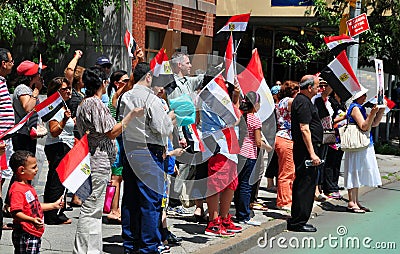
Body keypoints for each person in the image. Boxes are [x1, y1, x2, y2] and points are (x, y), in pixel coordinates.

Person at [72, 67, 144, 254]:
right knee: (91, 209)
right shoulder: (94, 104)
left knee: (93, 210)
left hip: (94, 159)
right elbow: (111, 132)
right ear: (103, 83)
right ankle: (83, 250)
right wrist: (130, 116)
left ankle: (91, 249)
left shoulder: (84, 104)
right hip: (98, 161)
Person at [119, 62, 175, 253]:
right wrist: (172, 117)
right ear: (149, 77)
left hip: (130, 149)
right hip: (150, 151)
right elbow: (163, 128)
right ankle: (149, 245)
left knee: (130, 199)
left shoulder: (124, 96)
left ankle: (130, 243)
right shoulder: (151, 99)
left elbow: (122, 122)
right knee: (150, 200)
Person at [8, 150, 64, 254]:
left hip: (33, 232)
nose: (37, 170)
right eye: (34, 167)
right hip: (25, 233)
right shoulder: (17, 190)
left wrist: (54, 205)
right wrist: (32, 220)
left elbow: (35, 206)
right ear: (21, 170)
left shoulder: (27, 187)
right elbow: (16, 213)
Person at [287, 75, 323, 233]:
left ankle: (300, 219)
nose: (318, 89)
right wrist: (312, 153)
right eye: (316, 86)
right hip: (306, 151)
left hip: (308, 149)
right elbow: (304, 128)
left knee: (307, 184)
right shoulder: (302, 102)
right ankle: (298, 221)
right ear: (309, 88)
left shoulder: (305, 101)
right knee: (305, 185)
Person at [343, 88, 385, 213]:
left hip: (363, 143)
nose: (366, 97)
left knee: (357, 170)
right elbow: (364, 126)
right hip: (357, 143)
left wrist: (380, 111)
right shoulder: (355, 107)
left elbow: (374, 123)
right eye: (364, 95)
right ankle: (352, 201)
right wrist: (372, 113)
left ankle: (355, 201)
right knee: (354, 170)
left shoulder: (359, 107)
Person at [234, 91, 272, 226]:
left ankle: (238, 212)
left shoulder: (240, 115)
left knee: (238, 184)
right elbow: (257, 141)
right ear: (255, 104)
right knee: (246, 184)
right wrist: (268, 148)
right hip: (249, 154)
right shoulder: (255, 119)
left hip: (238, 153)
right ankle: (243, 215)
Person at [43, 77, 74, 225]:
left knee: (61, 181)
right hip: (57, 147)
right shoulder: (54, 108)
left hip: (64, 146)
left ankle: (57, 211)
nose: (68, 91)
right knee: (56, 180)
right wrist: (64, 121)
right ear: (57, 92)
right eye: (64, 89)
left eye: (69, 88)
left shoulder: (62, 106)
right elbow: (54, 131)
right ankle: (52, 215)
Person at [274, 80, 299, 212]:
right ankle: (284, 201)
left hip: (284, 137)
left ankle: (287, 198)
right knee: (287, 171)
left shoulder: (282, 101)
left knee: (290, 170)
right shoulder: (289, 101)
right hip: (285, 137)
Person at [0, 48, 15, 236]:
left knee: (2, 179)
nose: (13, 63)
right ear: (3, 63)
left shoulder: (3, 82)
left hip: (5, 140)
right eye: (11, 61)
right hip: (1, 142)